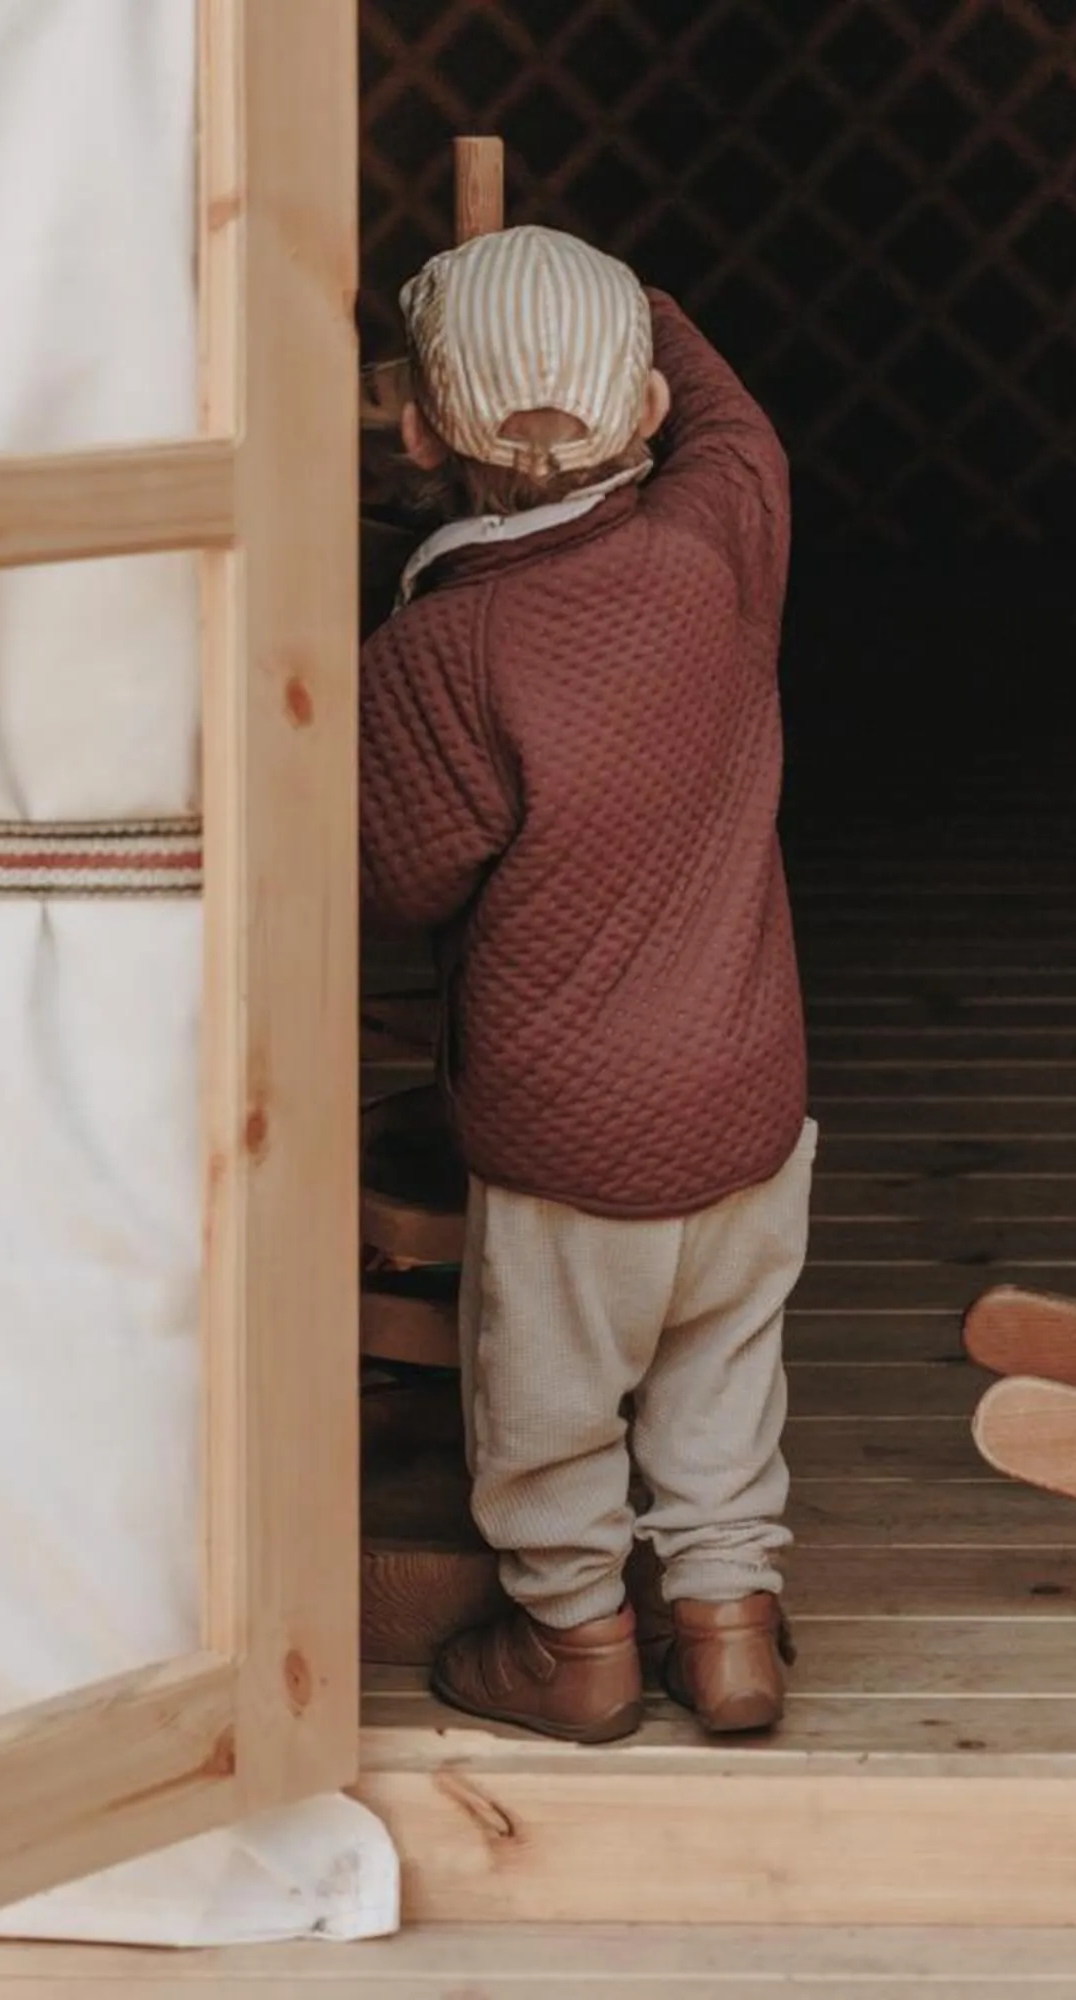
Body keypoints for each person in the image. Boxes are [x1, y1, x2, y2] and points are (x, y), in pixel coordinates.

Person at [360, 224, 808, 1743]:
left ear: (419, 428)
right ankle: (730, 1623)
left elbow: (391, 879)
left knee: (548, 1402)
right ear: (648, 413)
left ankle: (577, 1642)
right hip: (753, 1093)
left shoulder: (443, 648)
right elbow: (733, 412)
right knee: (722, 1362)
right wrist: (634, 313)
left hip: (567, 1132)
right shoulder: (719, 537)